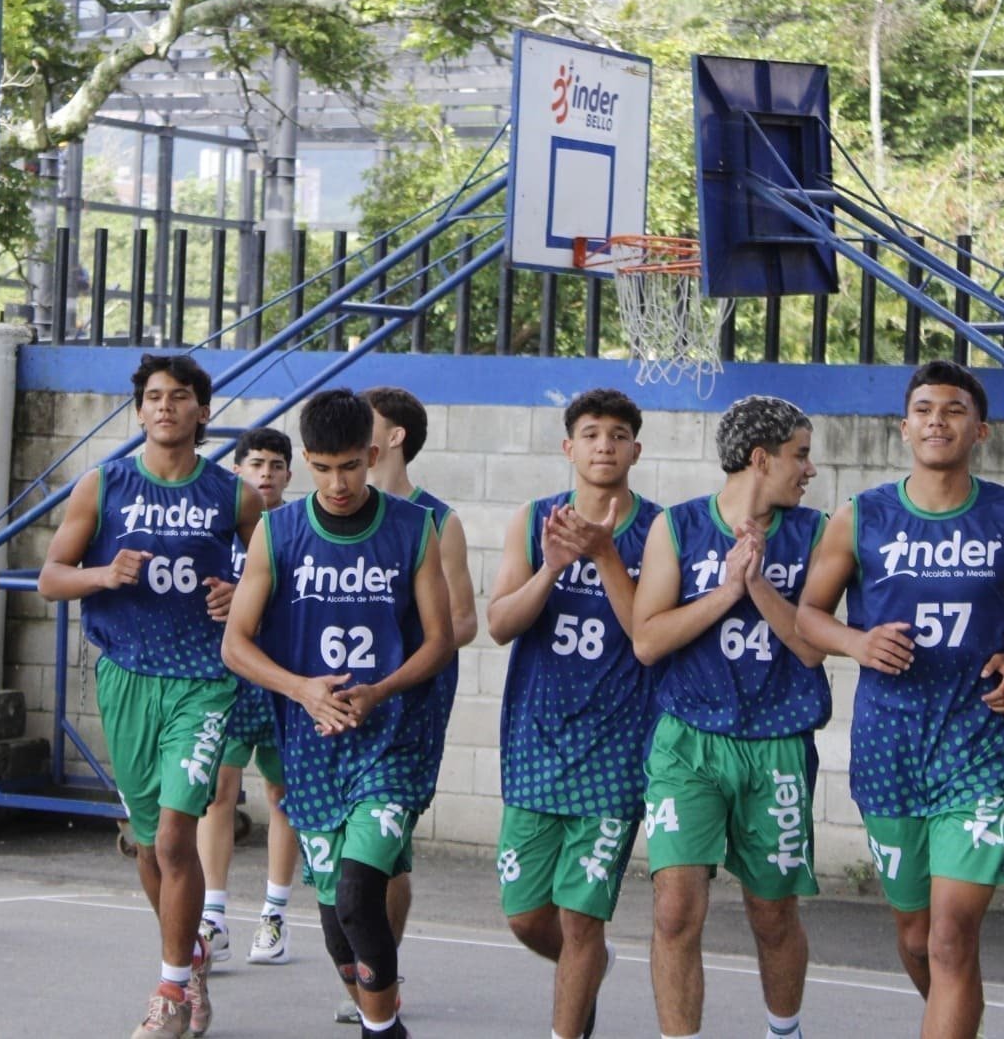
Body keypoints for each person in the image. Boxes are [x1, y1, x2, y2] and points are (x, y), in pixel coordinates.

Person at [795, 359, 1004, 1039]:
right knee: (917, 938)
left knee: (950, 937)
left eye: (952, 409)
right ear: (903, 427)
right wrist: (856, 643)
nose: (936, 420)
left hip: (980, 741)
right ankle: (953, 1011)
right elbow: (808, 616)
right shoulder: (862, 517)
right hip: (891, 745)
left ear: (981, 431)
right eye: (923, 409)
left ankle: (952, 1007)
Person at [39, 354, 262, 1038]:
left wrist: (240, 592)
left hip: (203, 680)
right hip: (127, 675)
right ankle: (188, 954)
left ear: (202, 411)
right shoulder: (102, 485)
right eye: (155, 396)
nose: (166, 406)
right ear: (139, 410)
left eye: (181, 396)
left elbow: (272, 575)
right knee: (146, 844)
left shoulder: (235, 495)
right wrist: (104, 573)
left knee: (173, 835)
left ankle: (168, 993)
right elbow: (50, 577)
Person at [223, 387, 453, 1039]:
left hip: (389, 741)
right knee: (335, 926)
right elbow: (235, 643)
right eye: (322, 467)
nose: (337, 482)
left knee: (358, 895)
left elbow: (439, 638)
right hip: (312, 742)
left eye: (349, 465)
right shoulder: (279, 531)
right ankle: (388, 1023)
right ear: (305, 462)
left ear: (372, 454)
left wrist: (380, 689)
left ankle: (379, 1031)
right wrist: (300, 688)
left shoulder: (413, 529)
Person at [632, 394, 829, 1039]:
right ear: (760, 458)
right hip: (687, 742)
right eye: (800, 455)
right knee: (675, 911)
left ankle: (784, 1030)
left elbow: (808, 644)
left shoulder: (817, 533)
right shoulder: (679, 527)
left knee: (771, 914)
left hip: (776, 743)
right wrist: (723, 593)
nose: (809, 469)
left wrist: (759, 587)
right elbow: (648, 640)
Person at [486, 387, 661, 1039]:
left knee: (583, 917)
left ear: (635, 449)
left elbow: (648, 634)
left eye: (618, 433)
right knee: (529, 914)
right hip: (536, 740)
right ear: (569, 447)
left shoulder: (659, 527)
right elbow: (499, 623)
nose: (604, 444)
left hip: (617, 748)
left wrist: (605, 554)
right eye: (591, 433)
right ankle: (589, 967)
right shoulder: (534, 519)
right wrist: (553, 567)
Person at [340, 386, 478, 1021]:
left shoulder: (435, 519)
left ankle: (379, 980)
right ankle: (377, 979)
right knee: (363, 850)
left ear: (392, 437)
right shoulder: (333, 508)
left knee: (384, 855)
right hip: (339, 699)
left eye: (366, 422)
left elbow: (464, 622)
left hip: (407, 702)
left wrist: (404, 653)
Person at [196, 427, 301, 967]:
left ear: (289, 474)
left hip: (283, 677)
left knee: (284, 796)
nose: (266, 473)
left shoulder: (300, 527)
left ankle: (275, 914)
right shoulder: (214, 528)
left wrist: (254, 597)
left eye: (276, 465)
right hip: (229, 680)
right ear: (236, 470)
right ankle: (213, 915)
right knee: (218, 791)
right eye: (256, 463)